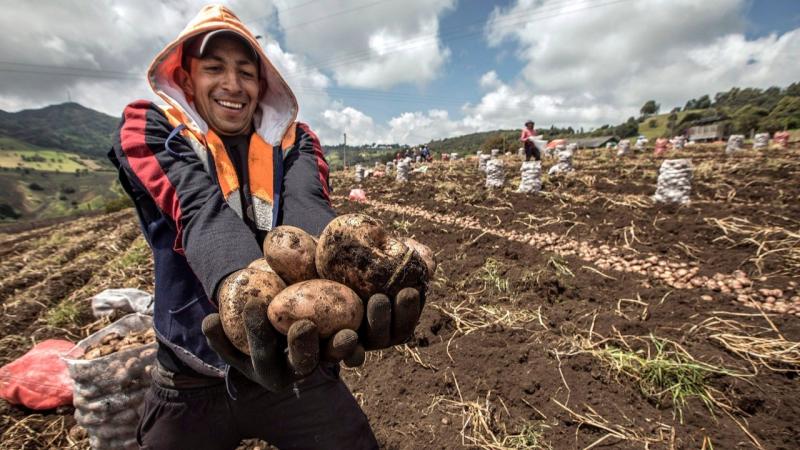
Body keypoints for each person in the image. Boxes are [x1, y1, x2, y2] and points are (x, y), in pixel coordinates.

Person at [108, 5, 424, 449]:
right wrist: (246, 298)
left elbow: (307, 206)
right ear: (186, 80)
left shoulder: (296, 140)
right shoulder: (152, 128)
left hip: (292, 362)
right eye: (214, 68)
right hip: (190, 372)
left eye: (246, 72)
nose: (233, 85)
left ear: (262, 84)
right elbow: (198, 208)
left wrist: (347, 276)